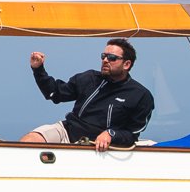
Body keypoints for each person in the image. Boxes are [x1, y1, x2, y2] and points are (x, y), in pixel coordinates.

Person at [21, 39, 153, 150]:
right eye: (103, 56)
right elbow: (55, 93)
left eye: (111, 58)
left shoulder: (141, 95)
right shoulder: (89, 78)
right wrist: (38, 69)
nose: (105, 60)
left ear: (127, 64)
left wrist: (111, 134)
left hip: (100, 145)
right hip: (68, 131)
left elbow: (132, 134)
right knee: (30, 141)